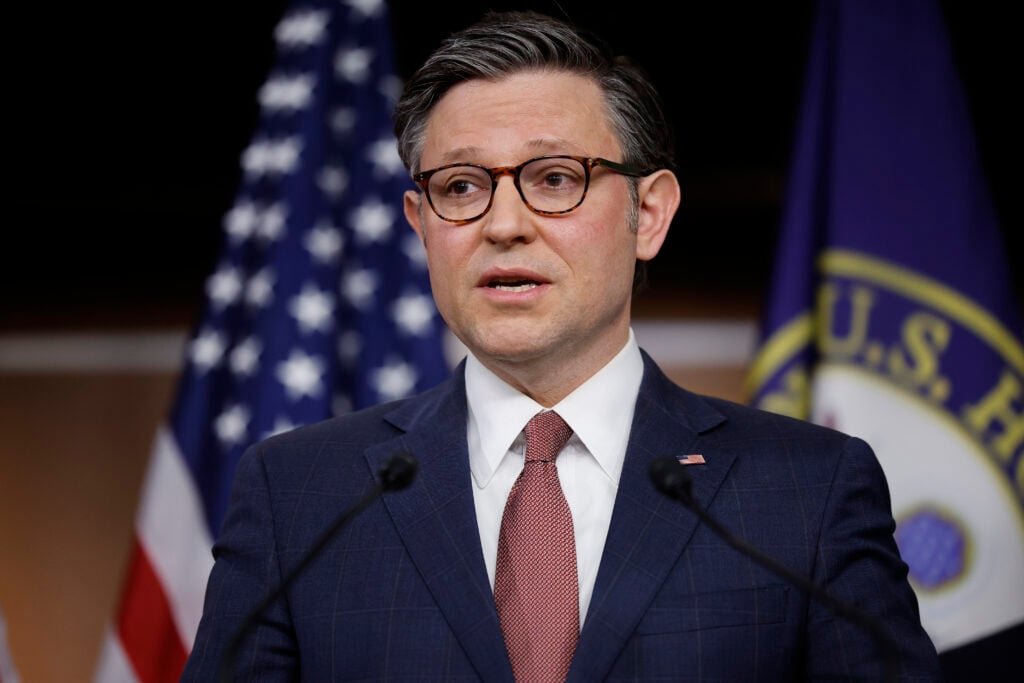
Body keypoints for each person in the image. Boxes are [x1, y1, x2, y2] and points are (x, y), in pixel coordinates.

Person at [183, 10, 941, 681]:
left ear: (648, 214)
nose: (504, 223)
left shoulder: (806, 493)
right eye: (461, 186)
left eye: (553, 178)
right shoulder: (302, 495)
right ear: (419, 223)